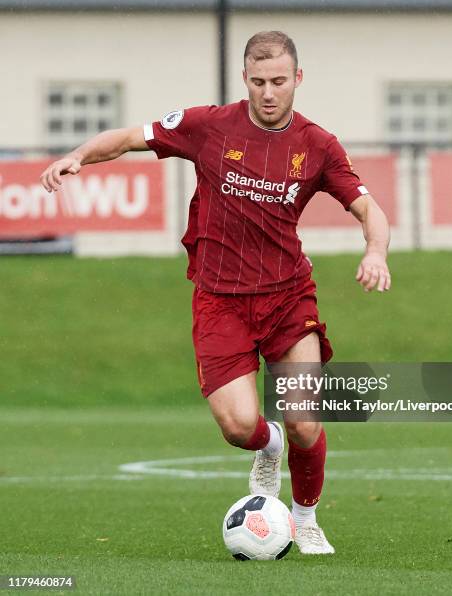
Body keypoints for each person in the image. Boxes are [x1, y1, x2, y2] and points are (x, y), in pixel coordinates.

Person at [40, 31, 391, 555]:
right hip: (219, 299)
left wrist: (376, 251)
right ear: (244, 80)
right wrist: (78, 156)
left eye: (278, 81)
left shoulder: (317, 145)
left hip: (288, 297)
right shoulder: (208, 126)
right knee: (237, 426)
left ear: (298, 79)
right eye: (258, 82)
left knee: (303, 417)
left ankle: (305, 516)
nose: (268, 92)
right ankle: (266, 447)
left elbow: (368, 209)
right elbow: (130, 137)